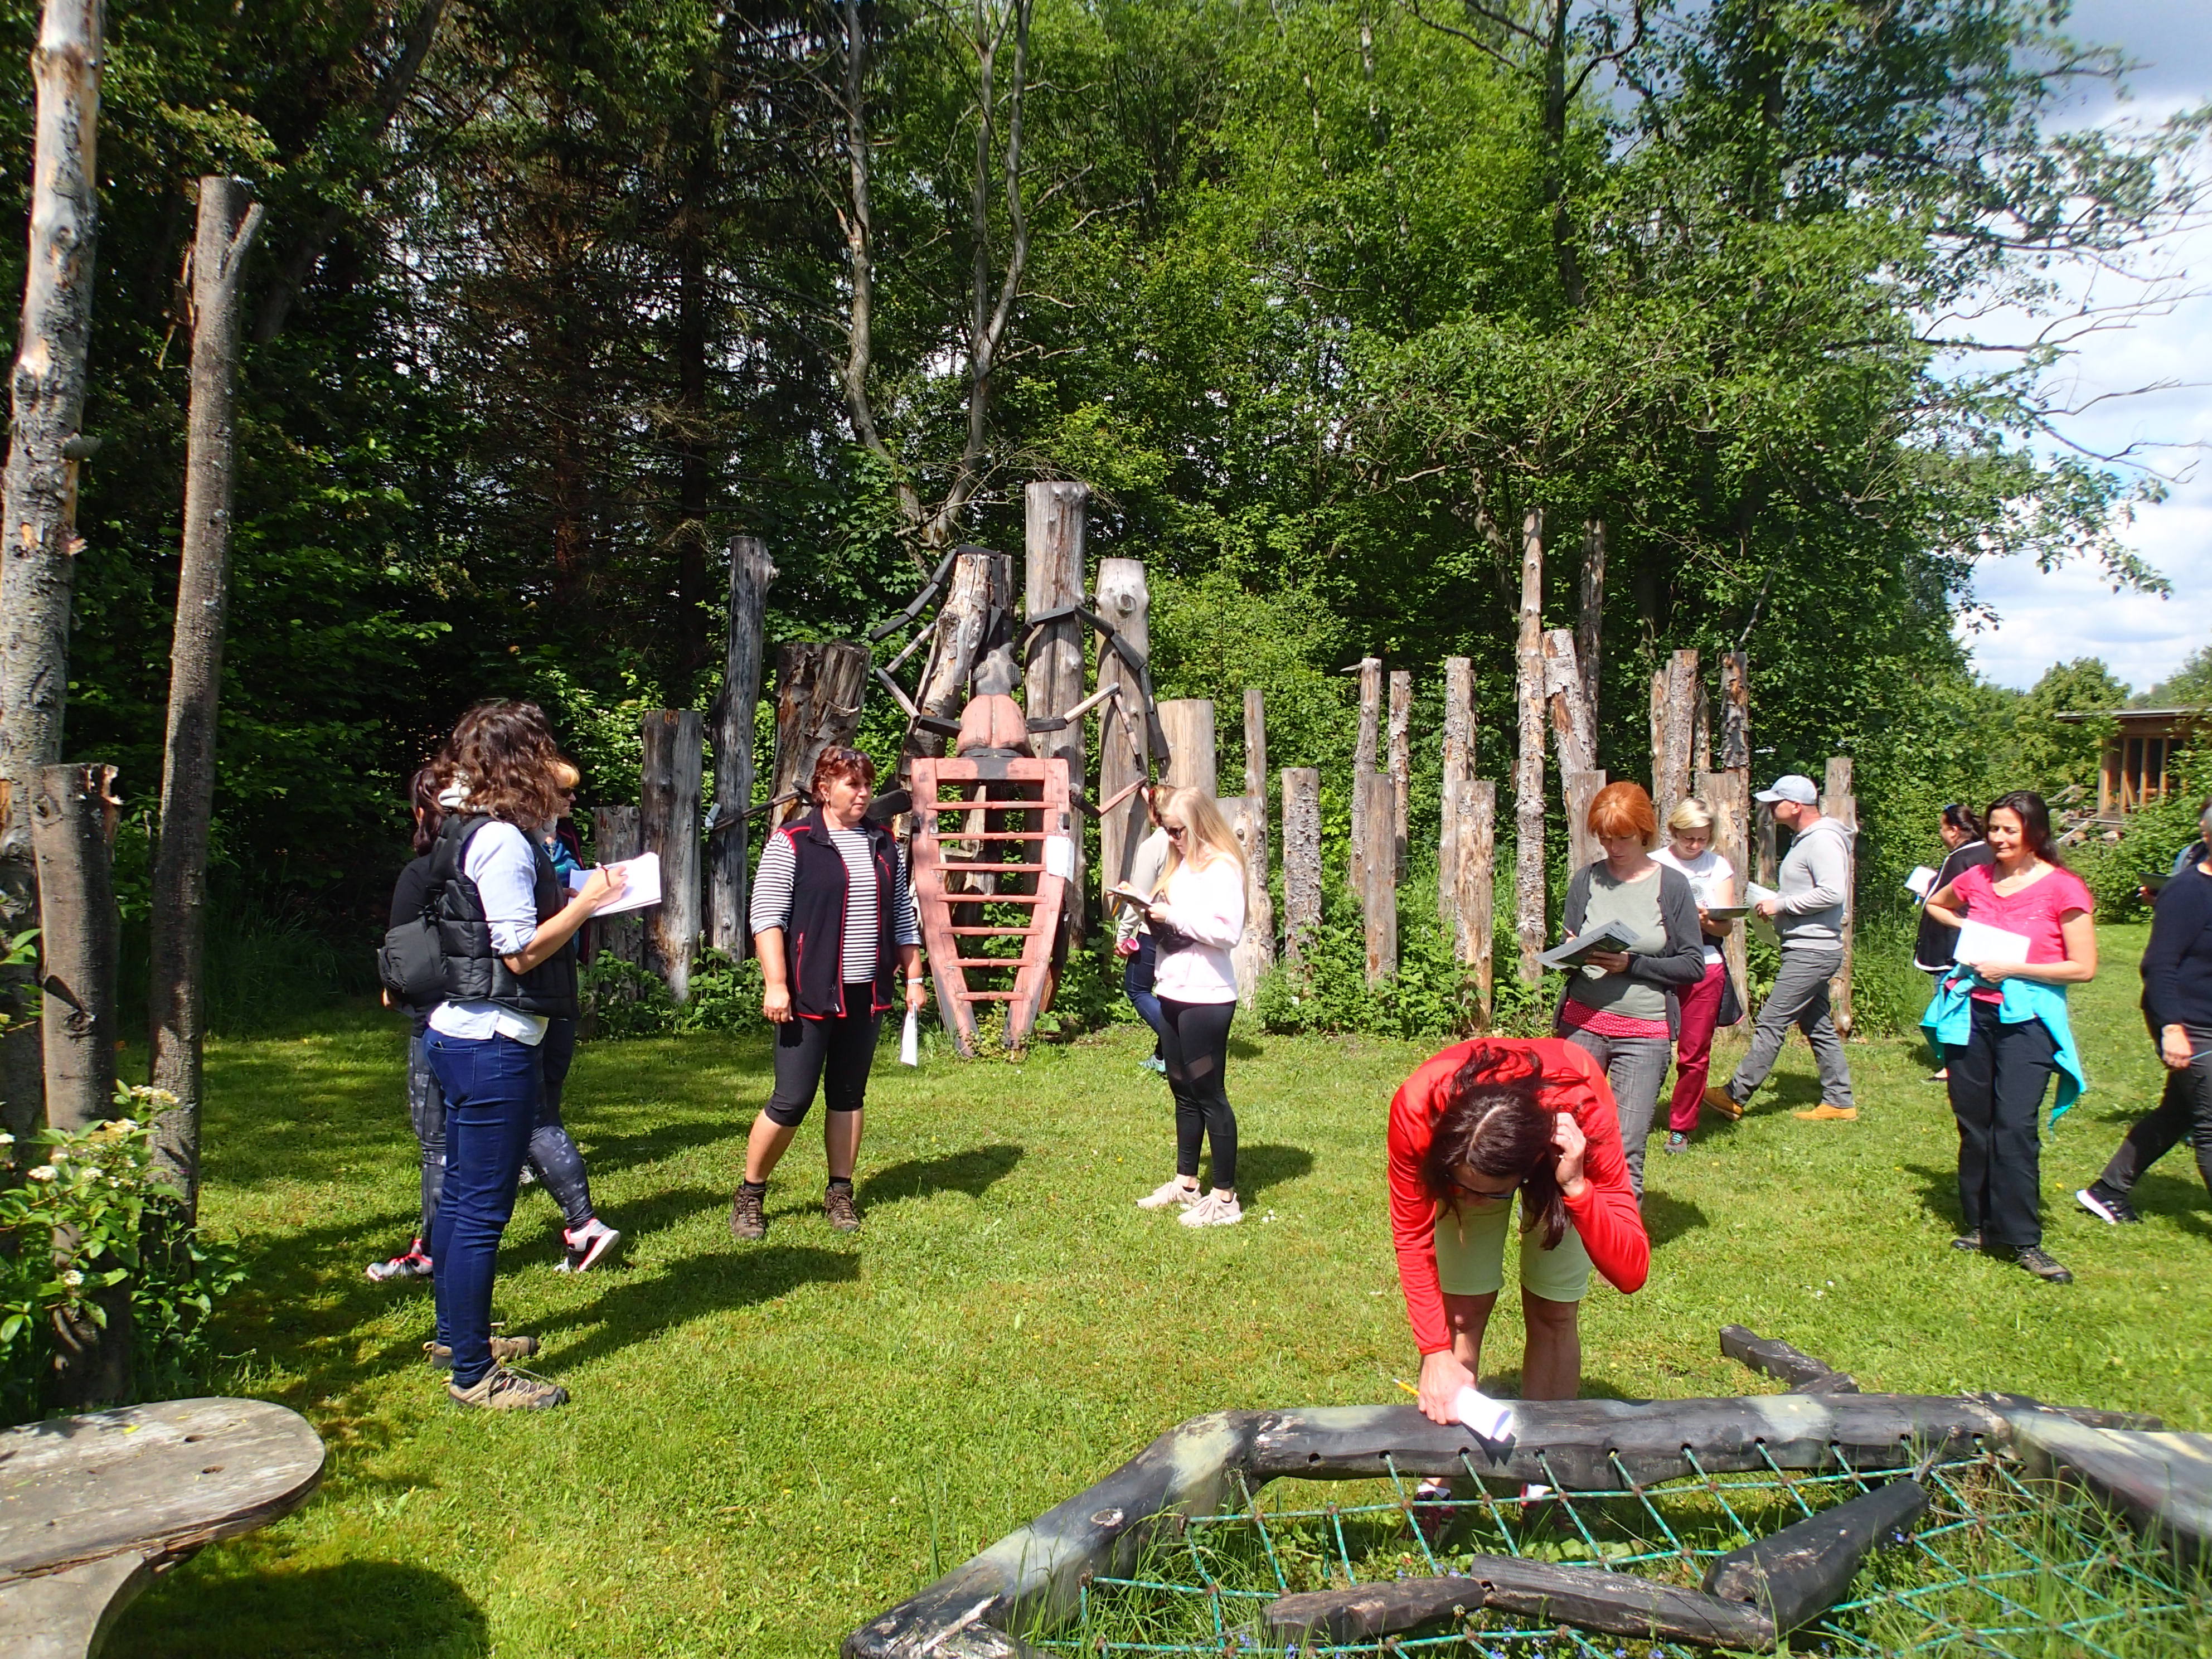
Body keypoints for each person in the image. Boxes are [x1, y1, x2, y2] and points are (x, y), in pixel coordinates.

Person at [424, 700, 628, 1409]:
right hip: (493, 1041)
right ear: (520, 763)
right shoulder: (505, 842)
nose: (553, 766)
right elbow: (518, 953)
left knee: (461, 1200)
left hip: (462, 1033)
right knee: (483, 1210)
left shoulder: (466, 827)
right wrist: (588, 900)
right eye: (541, 752)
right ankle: (474, 1374)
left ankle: (459, 1338)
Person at [1390, 1037, 1650, 1426]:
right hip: (1458, 1136)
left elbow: (1632, 1272)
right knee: (1459, 1316)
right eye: (1465, 1188)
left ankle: (1542, 1470)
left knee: (1555, 1312)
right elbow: (1412, 1238)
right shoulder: (1418, 1108)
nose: (1474, 1203)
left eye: (1488, 1193)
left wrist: (1577, 1187)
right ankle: (1440, 1478)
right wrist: (1434, 1351)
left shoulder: (1583, 1110)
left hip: (1559, 1147)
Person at [731, 746, 925, 1242]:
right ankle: (751, 1194)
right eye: (851, 785)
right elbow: (766, 917)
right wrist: (777, 984)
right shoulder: (793, 840)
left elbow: (902, 914)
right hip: (809, 994)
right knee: (791, 1099)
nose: (863, 795)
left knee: (847, 1095)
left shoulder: (884, 843)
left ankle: (840, 1193)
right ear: (824, 789)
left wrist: (915, 976)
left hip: (866, 995)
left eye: (866, 786)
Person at [1922, 790, 2094, 1285]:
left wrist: (2012, 967)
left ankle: (2024, 1239)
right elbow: (1937, 904)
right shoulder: (1976, 877)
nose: (1998, 838)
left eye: (2008, 830)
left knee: (2014, 1126)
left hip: (2029, 1021)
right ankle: (1979, 1224)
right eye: (1994, 828)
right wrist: (1965, 927)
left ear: (2035, 833)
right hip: (1970, 1016)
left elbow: (2083, 967)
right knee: (1974, 1122)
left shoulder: (2064, 888)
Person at [1554, 782, 1706, 1194]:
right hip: (1581, 1023)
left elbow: (1693, 964)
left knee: (1624, 1148)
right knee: (1563, 1136)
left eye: (1622, 837)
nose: (1613, 847)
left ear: (1644, 831)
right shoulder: (1587, 879)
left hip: (1644, 1033)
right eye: (1604, 837)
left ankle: (1622, 1248)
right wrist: (1572, 952)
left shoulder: (1670, 887)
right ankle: (1559, 1235)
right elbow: (1570, 940)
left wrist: (1632, 964)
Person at [2077, 823, 2212, 1226]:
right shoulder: (2188, 891)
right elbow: (2159, 965)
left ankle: (2109, 1190)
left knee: (2180, 1112)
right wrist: (2172, 1027)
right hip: (2191, 1022)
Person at [1127, 787, 1249, 1228]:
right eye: (1166, 829)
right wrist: (1145, 918)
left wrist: (1173, 918)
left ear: (1198, 824)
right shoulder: (1181, 865)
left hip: (1208, 995)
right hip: (1173, 987)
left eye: (1178, 830)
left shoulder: (1222, 867)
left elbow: (1227, 931)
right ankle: (1186, 1182)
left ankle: (1225, 1197)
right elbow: (1175, 921)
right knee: (1181, 1088)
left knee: (1209, 1093)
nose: (1172, 838)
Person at [1704, 774, 1857, 1124]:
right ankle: (1839, 1100)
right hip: (1807, 947)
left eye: (1777, 801)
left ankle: (1735, 1095)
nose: (1771, 807)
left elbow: (1833, 893)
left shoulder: (1822, 841)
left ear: (1796, 806)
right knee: (1816, 1025)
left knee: (1772, 1022)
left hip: (1812, 951)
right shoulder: (1807, 840)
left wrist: (1782, 904)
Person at [522, 760, 620, 1273]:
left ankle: (576, 1215)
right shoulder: (517, 843)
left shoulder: (562, 841)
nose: (571, 802)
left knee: (549, 1082)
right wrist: (580, 900)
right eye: (564, 793)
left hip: (557, 974)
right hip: (527, 980)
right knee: (530, 1102)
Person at [366, 763, 453, 1283]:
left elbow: (404, 960)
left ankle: (433, 1251)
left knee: (437, 1143)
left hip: (436, 1023)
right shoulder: (494, 858)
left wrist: (392, 986)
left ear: (422, 813)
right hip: (502, 1021)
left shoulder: (421, 873)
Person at [1649, 797, 1737, 1155]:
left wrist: (1700, 919)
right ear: (1673, 832)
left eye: (1702, 839)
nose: (1696, 845)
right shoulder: (1654, 864)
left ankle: (1681, 1128)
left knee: (1694, 1053)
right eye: (1689, 838)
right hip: (1657, 965)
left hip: (1705, 966)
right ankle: (1633, 1113)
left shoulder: (1719, 867)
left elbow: (1726, 926)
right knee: (1647, 1047)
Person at [1913, 804, 1993, 1083]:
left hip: (1955, 944)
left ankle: (1952, 1064)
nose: (1941, 834)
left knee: (1948, 1005)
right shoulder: (1988, 852)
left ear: (1955, 830)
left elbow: (1943, 902)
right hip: (1984, 942)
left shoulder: (1960, 858)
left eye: (1942, 828)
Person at [1112, 783, 1173, 1076]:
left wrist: (1123, 936)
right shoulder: (1190, 841)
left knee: (1137, 990)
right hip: (1181, 929)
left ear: (1154, 812)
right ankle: (1162, 1055)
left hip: (1153, 931)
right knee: (1171, 994)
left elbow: (1139, 899)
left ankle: (1178, 1045)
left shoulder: (1154, 845)